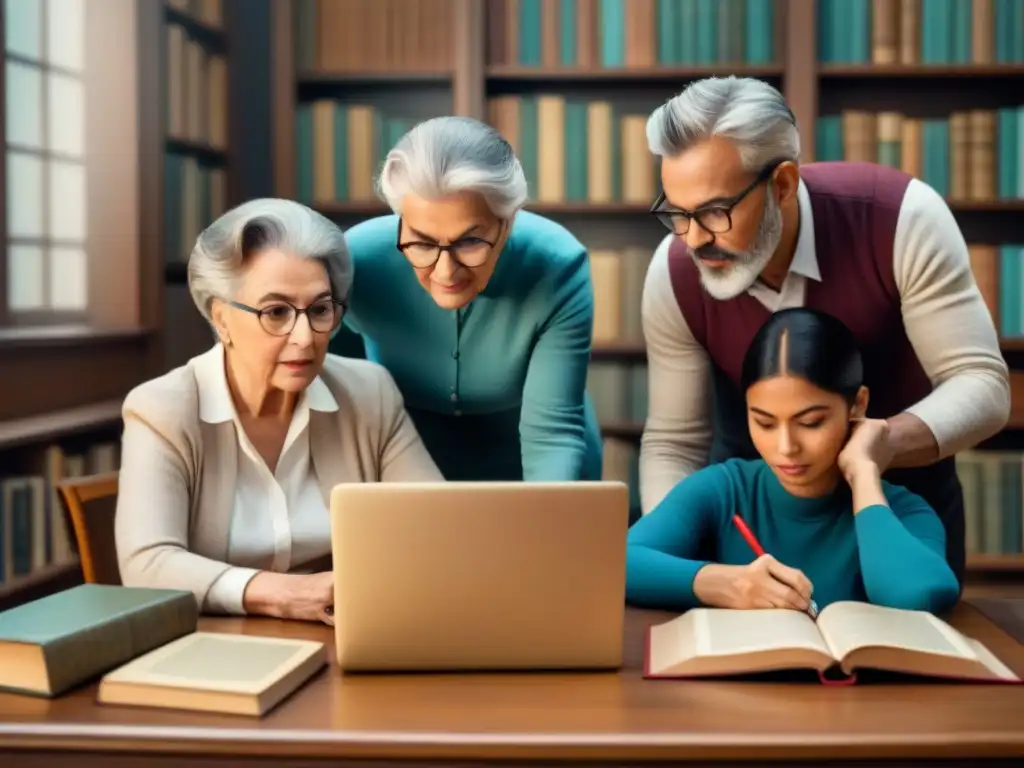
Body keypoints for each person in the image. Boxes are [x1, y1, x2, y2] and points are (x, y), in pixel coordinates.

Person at [639, 76, 1011, 585]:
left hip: (900, 523)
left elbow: (982, 384)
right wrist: (690, 564)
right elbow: (674, 442)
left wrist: (879, 447)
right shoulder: (674, 270)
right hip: (743, 540)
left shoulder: (901, 218)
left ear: (784, 184)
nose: (694, 239)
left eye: (715, 212)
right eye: (677, 214)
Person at [115, 199, 443, 624]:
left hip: (351, 636)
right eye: (276, 312)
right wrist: (285, 594)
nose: (304, 338)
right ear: (222, 318)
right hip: (214, 648)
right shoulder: (162, 408)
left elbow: (435, 527)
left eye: (320, 309)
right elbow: (147, 565)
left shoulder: (368, 392)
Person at [626, 308, 961, 614]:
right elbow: (618, 564)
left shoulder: (904, 511)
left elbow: (920, 595)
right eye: (765, 422)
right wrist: (726, 584)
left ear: (858, 404)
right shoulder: (723, 489)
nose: (785, 447)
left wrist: (863, 472)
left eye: (811, 422)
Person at [331, 116, 602, 482]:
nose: (445, 273)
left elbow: (552, 435)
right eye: (422, 242)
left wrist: (546, 527)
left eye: (470, 241)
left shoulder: (558, 266)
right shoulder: (354, 262)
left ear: (507, 222)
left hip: (538, 464)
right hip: (404, 463)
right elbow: (334, 392)